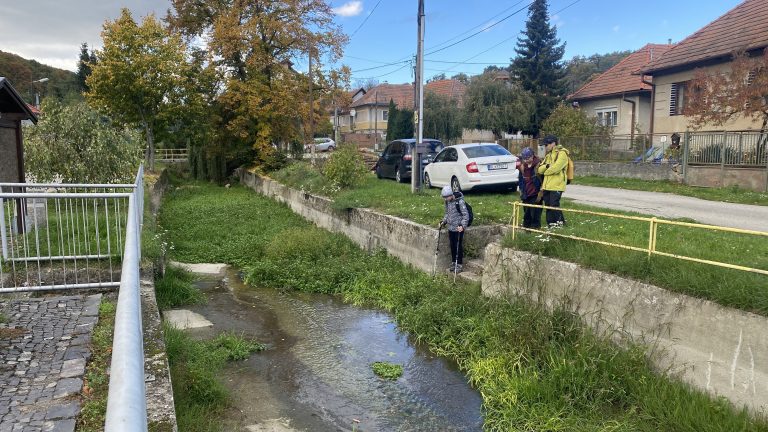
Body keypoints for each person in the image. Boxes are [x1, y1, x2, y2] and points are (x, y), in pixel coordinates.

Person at [537, 135, 570, 227]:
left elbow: (556, 168)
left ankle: (560, 225)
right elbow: (539, 170)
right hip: (547, 185)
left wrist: (546, 170)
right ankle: (551, 225)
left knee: (554, 205)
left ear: (553, 143)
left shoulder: (562, 153)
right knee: (548, 206)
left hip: (557, 185)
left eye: (546, 145)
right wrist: (547, 166)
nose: (545, 147)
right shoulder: (548, 155)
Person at [438, 185, 468, 273]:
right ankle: (453, 262)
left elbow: (466, 215)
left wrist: (462, 226)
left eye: (446, 197)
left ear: (451, 195)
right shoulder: (447, 202)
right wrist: (443, 222)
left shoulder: (460, 202)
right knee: (452, 246)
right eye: (444, 197)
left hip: (458, 228)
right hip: (450, 227)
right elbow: (447, 213)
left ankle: (459, 264)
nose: (445, 199)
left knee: (458, 246)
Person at [518, 147, 543, 229]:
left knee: (535, 213)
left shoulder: (539, 165)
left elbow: (543, 179)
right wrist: (521, 190)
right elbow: (521, 180)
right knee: (526, 213)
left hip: (536, 193)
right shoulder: (522, 167)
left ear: (532, 156)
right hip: (526, 193)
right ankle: (526, 229)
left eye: (527, 158)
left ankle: (536, 229)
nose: (526, 160)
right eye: (524, 159)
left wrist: (541, 191)